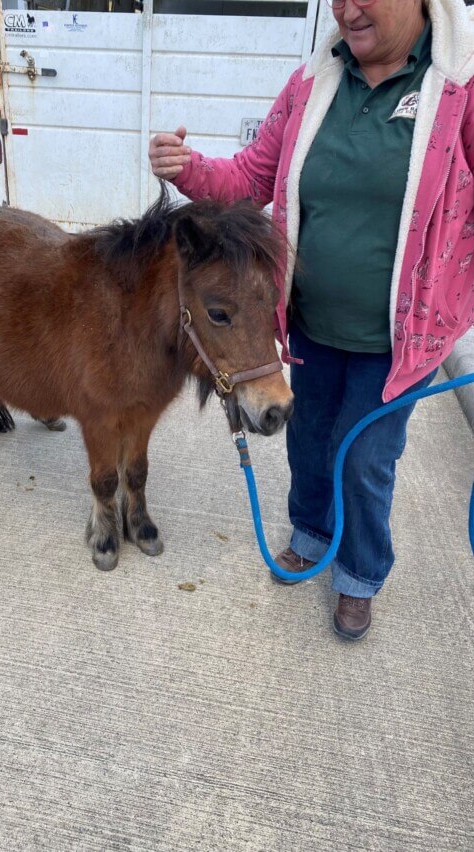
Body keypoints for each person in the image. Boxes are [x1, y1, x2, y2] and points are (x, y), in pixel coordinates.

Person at [149, 0, 474, 639]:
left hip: (402, 340)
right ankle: (311, 531)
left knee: (364, 458)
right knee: (309, 439)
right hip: (305, 324)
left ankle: (358, 573)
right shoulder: (312, 84)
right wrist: (186, 168)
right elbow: (250, 176)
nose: (346, 10)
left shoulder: (460, 87)